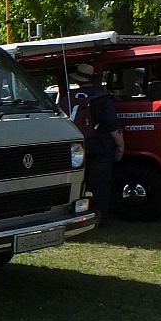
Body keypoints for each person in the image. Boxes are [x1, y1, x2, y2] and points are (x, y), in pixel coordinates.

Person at [68, 64, 123, 225]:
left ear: (78, 81)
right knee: (101, 186)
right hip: (101, 147)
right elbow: (112, 124)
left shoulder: (68, 97)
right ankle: (101, 218)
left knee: (78, 184)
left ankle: (76, 216)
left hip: (76, 148)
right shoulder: (102, 97)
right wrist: (120, 145)